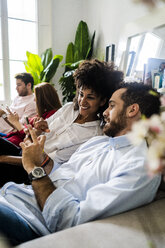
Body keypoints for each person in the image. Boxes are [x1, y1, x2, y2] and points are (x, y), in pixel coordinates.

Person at [0, 82, 161, 246]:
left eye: (111, 106)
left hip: (28, 219)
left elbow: (70, 220)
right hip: (13, 196)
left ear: (132, 110)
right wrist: (41, 158)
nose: (104, 112)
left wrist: (34, 169)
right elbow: (62, 173)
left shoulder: (139, 167)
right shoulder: (98, 142)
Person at [0, 82, 62, 185]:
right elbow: (25, 132)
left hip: (23, 149)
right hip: (19, 144)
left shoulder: (50, 118)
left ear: (43, 99)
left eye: (35, 98)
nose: (34, 100)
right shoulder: (39, 116)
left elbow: (26, 134)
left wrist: (9, 119)